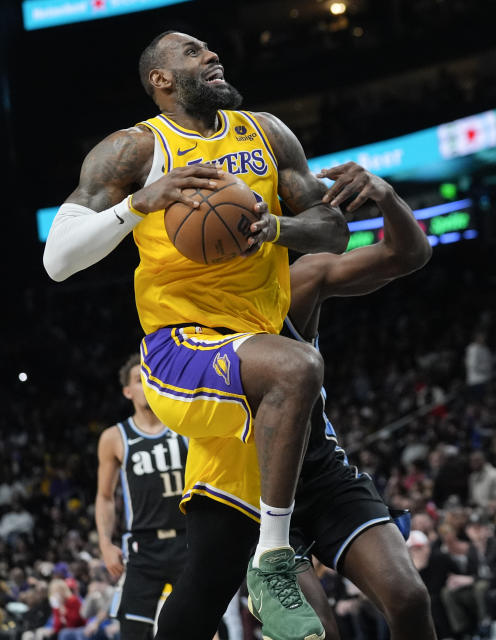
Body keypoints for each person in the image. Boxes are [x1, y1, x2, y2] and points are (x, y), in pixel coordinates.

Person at [42, 30, 348, 640]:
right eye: (192, 51)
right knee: (300, 368)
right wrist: (139, 205)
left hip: (256, 350)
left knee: (209, 574)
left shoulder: (265, 131)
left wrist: (276, 228)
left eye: (212, 48)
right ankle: (275, 562)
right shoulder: (133, 150)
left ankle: (259, 565)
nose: (212, 54)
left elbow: (332, 229)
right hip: (181, 349)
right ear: (160, 79)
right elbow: (58, 259)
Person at [155, 162, 434, 640]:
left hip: (320, 471)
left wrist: (386, 198)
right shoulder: (189, 320)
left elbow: (407, 255)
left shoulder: (298, 283)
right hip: (248, 488)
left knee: (409, 598)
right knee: (316, 629)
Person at [95, 354, 189, 639]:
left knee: (203, 625)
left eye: (151, 377)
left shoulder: (186, 425)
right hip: (142, 548)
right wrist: (105, 543)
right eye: (139, 380)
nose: (146, 384)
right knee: (133, 631)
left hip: (188, 541)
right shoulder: (115, 437)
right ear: (127, 391)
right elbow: (105, 496)